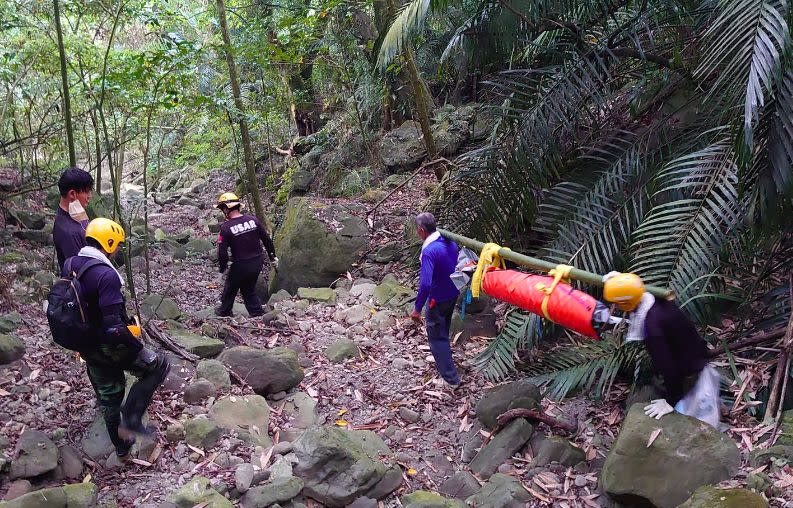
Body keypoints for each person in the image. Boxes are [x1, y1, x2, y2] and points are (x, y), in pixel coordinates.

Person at [65, 218, 170, 458]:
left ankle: (121, 448)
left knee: (109, 396)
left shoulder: (72, 262)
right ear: (109, 242)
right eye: (118, 245)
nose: (119, 249)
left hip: (84, 342)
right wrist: (138, 347)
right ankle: (131, 419)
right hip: (107, 343)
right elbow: (113, 328)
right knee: (158, 366)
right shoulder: (106, 275)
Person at [603, 272, 720, 427]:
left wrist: (671, 401)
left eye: (616, 303)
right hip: (695, 351)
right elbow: (633, 290)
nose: (615, 307)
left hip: (689, 370)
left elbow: (668, 366)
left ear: (626, 303)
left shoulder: (652, 328)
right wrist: (619, 282)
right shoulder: (653, 296)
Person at [411, 212, 462, 387]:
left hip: (437, 299)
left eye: (418, 230)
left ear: (422, 230)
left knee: (436, 338)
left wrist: (417, 309)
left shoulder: (429, 251)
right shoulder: (450, 242)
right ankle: (447, 365)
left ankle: (451, 379)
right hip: (453, 293)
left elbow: (425, 284)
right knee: (443, 332)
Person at [215, 192, 277, 317]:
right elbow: (266, 239)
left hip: (241, 264)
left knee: (230, 288)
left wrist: (222, 269)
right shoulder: (253, 220)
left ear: (226, 209)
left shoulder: (226, 228)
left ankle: (224, 312)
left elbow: (222, 252)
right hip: (257, 261)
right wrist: (272, 256)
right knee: (248, 289)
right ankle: (257, 313)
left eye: (222, 208)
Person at [53, 167, 93, 270]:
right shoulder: (69, 232)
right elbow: (81, 273)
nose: (90, 196)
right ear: (72, 194)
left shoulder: (75, 214)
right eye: (87, 191)